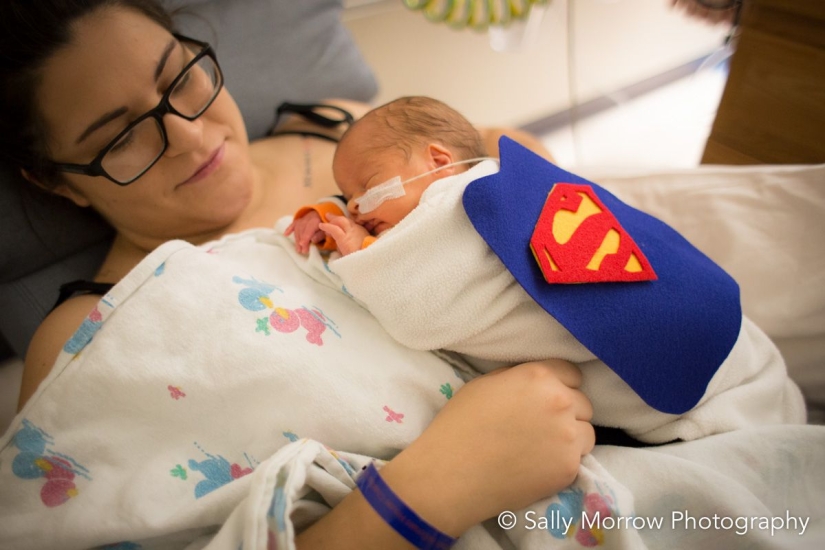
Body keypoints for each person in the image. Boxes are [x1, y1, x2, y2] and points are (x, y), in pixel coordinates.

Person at [0, 1, 594, 548]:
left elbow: (486, 146)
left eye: (179, 79)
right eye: (121, 135)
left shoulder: (338, 130)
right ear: (54, 181)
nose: (188, 132)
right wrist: (438, 486)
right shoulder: (90, 335)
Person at [286, 95, 805, 445]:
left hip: (703, 382)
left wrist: (360, 255)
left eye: (364, 187)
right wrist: (337, 214)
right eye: (346, 198)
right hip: (726, 349)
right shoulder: (425, 209)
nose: (354, 208)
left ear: (437, 159)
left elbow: (424, 310)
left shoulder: (462, 202)